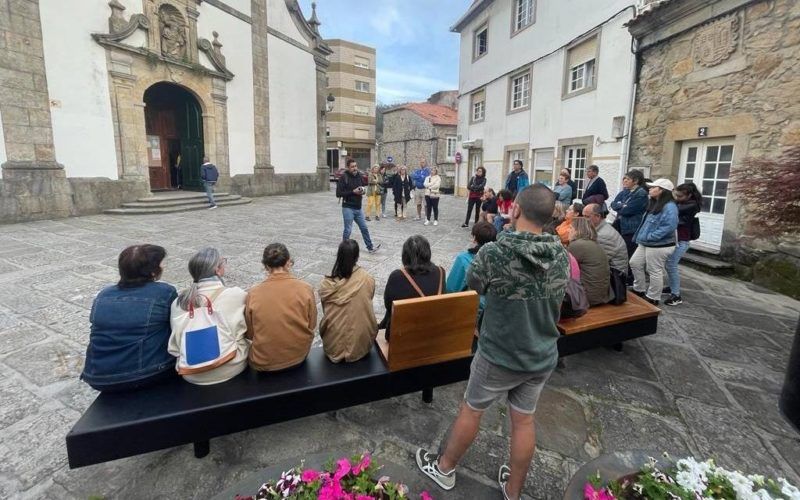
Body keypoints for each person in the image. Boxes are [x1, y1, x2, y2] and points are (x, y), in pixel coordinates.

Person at [416, 184, 569, 500]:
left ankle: (444, 468)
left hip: (499, 353)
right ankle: (513, 491)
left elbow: (475, 286)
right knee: (524, 420)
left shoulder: (494, 253)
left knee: (472, 410)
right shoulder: (561, 255)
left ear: (514, 210)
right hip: (541, 353)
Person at [81, 244, 177, 392]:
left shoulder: (103, 295)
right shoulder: (164, 292)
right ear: (152, 271)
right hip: (148, 373)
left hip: (98, 377)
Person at [168, 247, 249, 385]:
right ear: (218, 270)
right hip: (231, 365)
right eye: (223, 262)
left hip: (191, 373)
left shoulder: (178, 303)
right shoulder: (235, 294)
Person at [246, 243, 317, 371]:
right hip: (298, 355)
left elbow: (250, 333)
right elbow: (312, 324)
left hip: (264, 361)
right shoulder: (305, 289)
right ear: (288, 262)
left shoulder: (253, 294)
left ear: (266, 266)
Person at [318, 240, 378, 363]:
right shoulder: (367, 279)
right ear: (357, 257)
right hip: (362, 345)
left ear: (338, 256)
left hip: (333, 346)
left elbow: (326, 311)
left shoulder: (326, 286)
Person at [379, 235, 446, 340]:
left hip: (403, 335)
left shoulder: (397, 276)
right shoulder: (441, 272)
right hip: (432, 331)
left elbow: (388, 305)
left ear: (405, 255)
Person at [630, 179, 679, 306]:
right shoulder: (654, 203)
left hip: (659, 244)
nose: (650, 189)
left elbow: (669, 226)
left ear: (662, 190)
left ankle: (653, 297)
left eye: (653, 187)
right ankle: (639, 289)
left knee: (654, 270)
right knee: (634, 262)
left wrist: (652, 236)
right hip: (646, 242)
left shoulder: (669, 206)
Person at [664, 182, 702, 306]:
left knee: (671, 265)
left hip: (682, 240)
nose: (677, 198)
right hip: (676, 238)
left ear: (689, 195)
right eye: (677, 195)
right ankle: (671, 287)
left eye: (680, 196)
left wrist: (671, 199)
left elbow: (672, 210)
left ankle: (676, 295)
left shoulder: (691, 205)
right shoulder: (682, 203)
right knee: (669, 264)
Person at [610, 170, 648, 284]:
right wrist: (621, 205)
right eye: (624, 179)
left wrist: (621, 206)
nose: (624, 181)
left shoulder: (641, 193)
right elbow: (613, 203)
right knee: (621, 250)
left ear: (635, 181)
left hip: (632, 228)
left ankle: (630, 278)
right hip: (621, 225)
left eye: (627, 179)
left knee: (629, 252)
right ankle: (624, 274)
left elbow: (628, 210)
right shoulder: (626, 191)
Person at [336, 159, 380, 253]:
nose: (355, 168)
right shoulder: (344, 177)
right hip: (348, 207)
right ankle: (343, 251)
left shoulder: (359, 176)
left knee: (364, 228)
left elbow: (363, 187)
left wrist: (362, 191)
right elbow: (338, 193)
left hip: (358, 208)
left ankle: (370, 247)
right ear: (348, 167)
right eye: (352, 167)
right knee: (348, 230)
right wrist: (353, 192)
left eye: (355, 166)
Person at [568, 217, 613, 306]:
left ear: (577, 230)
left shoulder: (577, 245)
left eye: (570, 228)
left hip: (588, 297)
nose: (568, 231)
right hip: (602, 295)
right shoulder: (593, 243)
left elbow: (561, 266)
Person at [446, 221, 497, 295]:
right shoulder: (501, 260)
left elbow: (451, 288)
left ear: (474, 239)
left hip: (471, 303)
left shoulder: (463, 258)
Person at [583, 203, 628, 274]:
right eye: (583, 216)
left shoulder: (604, 235)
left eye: (587, 217)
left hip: (614, 275)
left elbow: (597, 261)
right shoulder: (598, 228)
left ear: (598, 216)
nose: (584, 219)